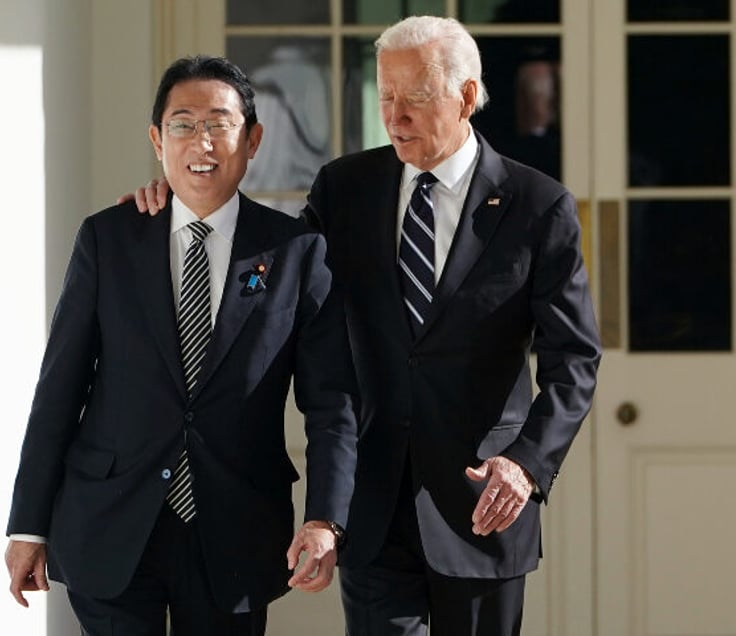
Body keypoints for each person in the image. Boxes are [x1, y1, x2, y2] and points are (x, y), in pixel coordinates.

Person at [129, 15, 600, 636]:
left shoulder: (537, 206)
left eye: (417, 97)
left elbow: (575, 361)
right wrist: (177, 209)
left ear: (465, 96)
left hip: (481, 501)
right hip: (372, 502)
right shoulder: (345, 188)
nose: (395, 116)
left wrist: (527, 463)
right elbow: (271, 267)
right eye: (386, 96)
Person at [5, 55, 358, 636]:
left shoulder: (297, 252)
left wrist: (325, 519)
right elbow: (60, 388)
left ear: (253, 140)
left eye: (220, 123)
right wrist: (28, 526)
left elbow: (332, 405)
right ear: (156, 138)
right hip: (111, 521)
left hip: (235, 531)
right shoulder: (108, 239)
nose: (202, 141)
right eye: (183, 123)